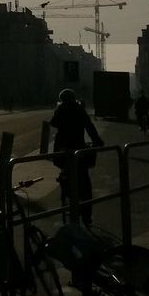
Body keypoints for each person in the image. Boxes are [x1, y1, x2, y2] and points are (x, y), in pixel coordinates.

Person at [50, 88, 103, 228]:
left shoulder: (60, 109)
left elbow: (53, 123)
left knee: (65, 171)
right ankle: (87, 216)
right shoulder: (79, 109)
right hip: (78, 147)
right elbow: (89, 126)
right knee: (85, 183)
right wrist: (98, 141)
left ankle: (66, 193)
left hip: (62, 150)